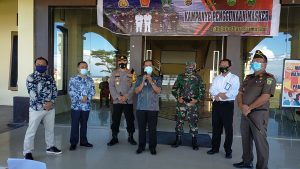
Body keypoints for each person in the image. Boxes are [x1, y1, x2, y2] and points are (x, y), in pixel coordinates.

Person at [234, 50, 276, 169]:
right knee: (245, 140)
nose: (255, 63)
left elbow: (265, 97)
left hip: (258, 114)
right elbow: (240, 93)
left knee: (260, 142)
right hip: (245, 113)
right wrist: (242, 106)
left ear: (265, 64)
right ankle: (246, 161)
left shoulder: (269, 78)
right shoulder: (248, 78)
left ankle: (262, 166)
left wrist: (249, 107)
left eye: (259, 61)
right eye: (254, 61)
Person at [23, 57, 62, 160]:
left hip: (50, 109)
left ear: (47, 66)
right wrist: (46, 104)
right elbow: (33, 94)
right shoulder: (31, 78)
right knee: (31, 131)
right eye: (38, 64)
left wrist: (51, 102)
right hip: (37, 109)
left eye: (43, 64)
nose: (40, 66)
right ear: (35, 65)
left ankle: (50, 147)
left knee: (50, 129)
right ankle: (27, 151)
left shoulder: (50, 78)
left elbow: (54, 91)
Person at [207, 59, 240, 159]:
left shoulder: (234, 78)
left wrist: (220, 95)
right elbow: (211, 90)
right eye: (221, 65)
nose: (223, 67)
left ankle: (228, 150)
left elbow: (233, 92)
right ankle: (215, 148)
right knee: (216, 127)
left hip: (227, 106)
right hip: (216, 105)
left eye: (225, 65)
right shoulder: (217, 78)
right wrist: (220, 95)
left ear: (229, 66)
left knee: (228, 129)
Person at [171, 62, 205, 150]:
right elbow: (174, 89)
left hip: (193, 104)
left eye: (192, 66)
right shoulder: (180, 77)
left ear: (194, 67)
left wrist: (197, 100)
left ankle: (194, 141)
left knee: (193, 122)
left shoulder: (198, 77)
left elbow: (202, 90)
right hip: (181, 103)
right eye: (189, 66)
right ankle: (178, 139)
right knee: (179, 122)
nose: (190, 67)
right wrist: (178, 97)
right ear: (186, 67)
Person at [107, 55, 137, 146]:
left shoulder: (132, 72)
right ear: (118, 62)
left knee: (130, 119)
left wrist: (126, 97)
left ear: (126, 62)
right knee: (115, 120)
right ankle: (114, 137)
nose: (122, 63)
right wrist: (117, 97)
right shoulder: (114, 72)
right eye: (120, 61)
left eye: (124, 61)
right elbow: (111, 86)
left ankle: (131, 137)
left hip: (128, 101)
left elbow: (134, 86)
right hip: (117, 101)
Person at [135, 60, 162, 155]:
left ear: (152, 67)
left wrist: (151, 81)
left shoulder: (157, 78)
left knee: (152, 129)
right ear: (143, 67)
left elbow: (158, 91)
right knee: (141, 129)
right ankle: (141, 146)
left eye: (149, 65)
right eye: (146, 65)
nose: (148, 67)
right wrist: (143, 81)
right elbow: (137, 91)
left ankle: (152, 147)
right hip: (141, 108)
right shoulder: (139, 78)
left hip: (153, 108)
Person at [68, 61, 95, 151]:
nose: (84, 68)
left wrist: (87, 98)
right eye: (82, 67)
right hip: (76, 106)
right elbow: (71, 91)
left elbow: (93, 91)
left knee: (84, 124)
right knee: (75, 124)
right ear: (78, 68)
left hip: (86, 106)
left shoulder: (90, 80)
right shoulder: (73, 79)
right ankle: (73, 143)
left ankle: (83, 141)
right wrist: (81, 98)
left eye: (86, 67)